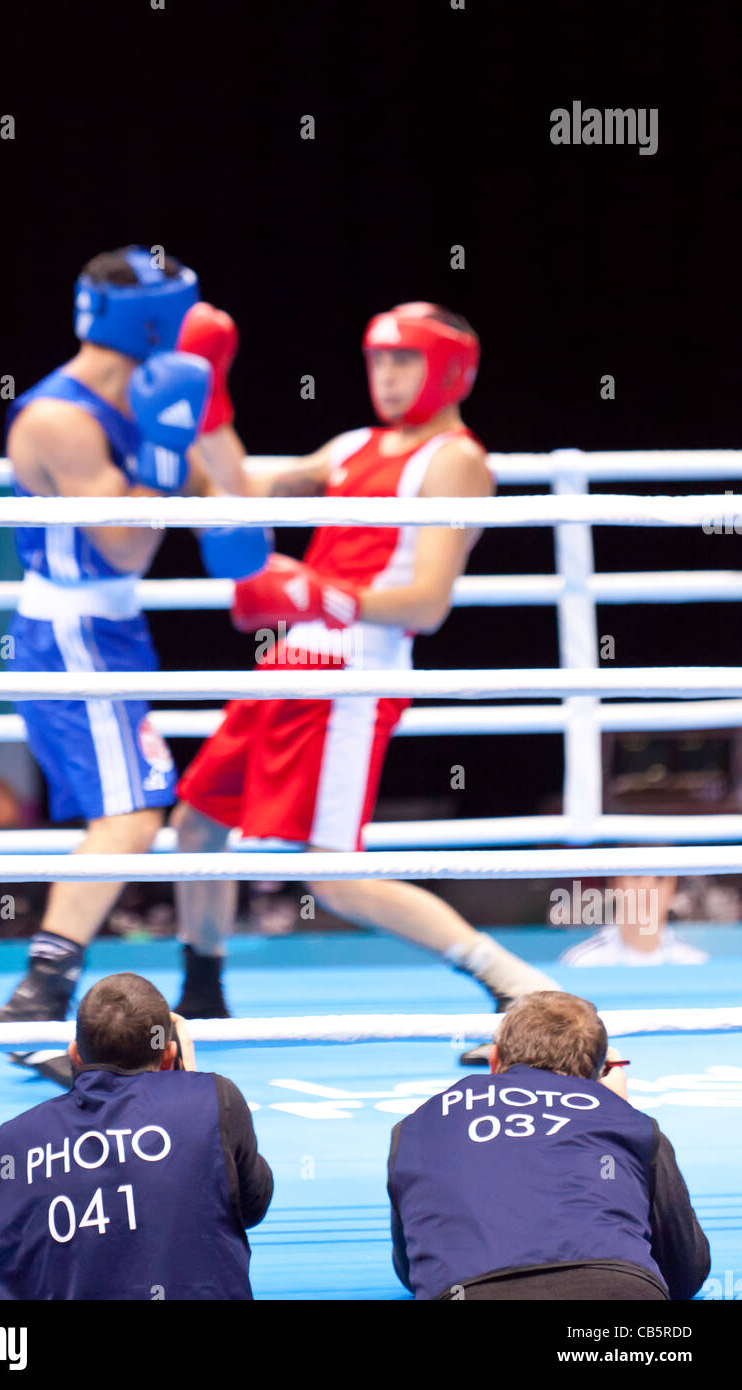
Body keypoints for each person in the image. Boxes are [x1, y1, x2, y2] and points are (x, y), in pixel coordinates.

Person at [171, 302, 560, 1062]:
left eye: (403, 360)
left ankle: (521, 990)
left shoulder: (455, 460)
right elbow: (235, 483)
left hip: (354, 673)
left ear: (448, 369)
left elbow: (430, 602)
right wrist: (206, 398)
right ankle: (203, 998)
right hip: (288, 664)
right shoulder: (351, 445)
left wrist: (320, 595)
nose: (384, 376)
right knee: (196, 822)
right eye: (377, 359)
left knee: (337, 880)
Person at [0, 246, 266, 1071]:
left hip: (113, 633)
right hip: (73, 632)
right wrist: (163, 450)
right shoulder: (58, 419)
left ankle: (201, 985)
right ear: (149, 320)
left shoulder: (166, 384)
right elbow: (122, 549)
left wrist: (203, 421)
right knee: (133, 816)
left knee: (160, 808)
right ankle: (39, 990)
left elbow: (236, 498)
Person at [387, 990, 710, 1300]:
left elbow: (411, 1266)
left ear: (494, 1058)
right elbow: (684, 1271)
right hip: (617, 1289)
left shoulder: (416, 1125)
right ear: (601, 1070)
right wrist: (615, 1110)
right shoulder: (630, 1122)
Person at [0, 972, 273, 1300]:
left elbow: (4, 1278)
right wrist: (189, 1080)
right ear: (167, 1056)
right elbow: (252, 1205)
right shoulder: (214, 1098)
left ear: (75, 1055)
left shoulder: (16, 1138)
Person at [558, 872, 709, 965]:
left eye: (660, 878)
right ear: (615, 884)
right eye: (637, 876)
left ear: (673, 890)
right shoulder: (582, 962)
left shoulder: (695, 962)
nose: (647, 889)